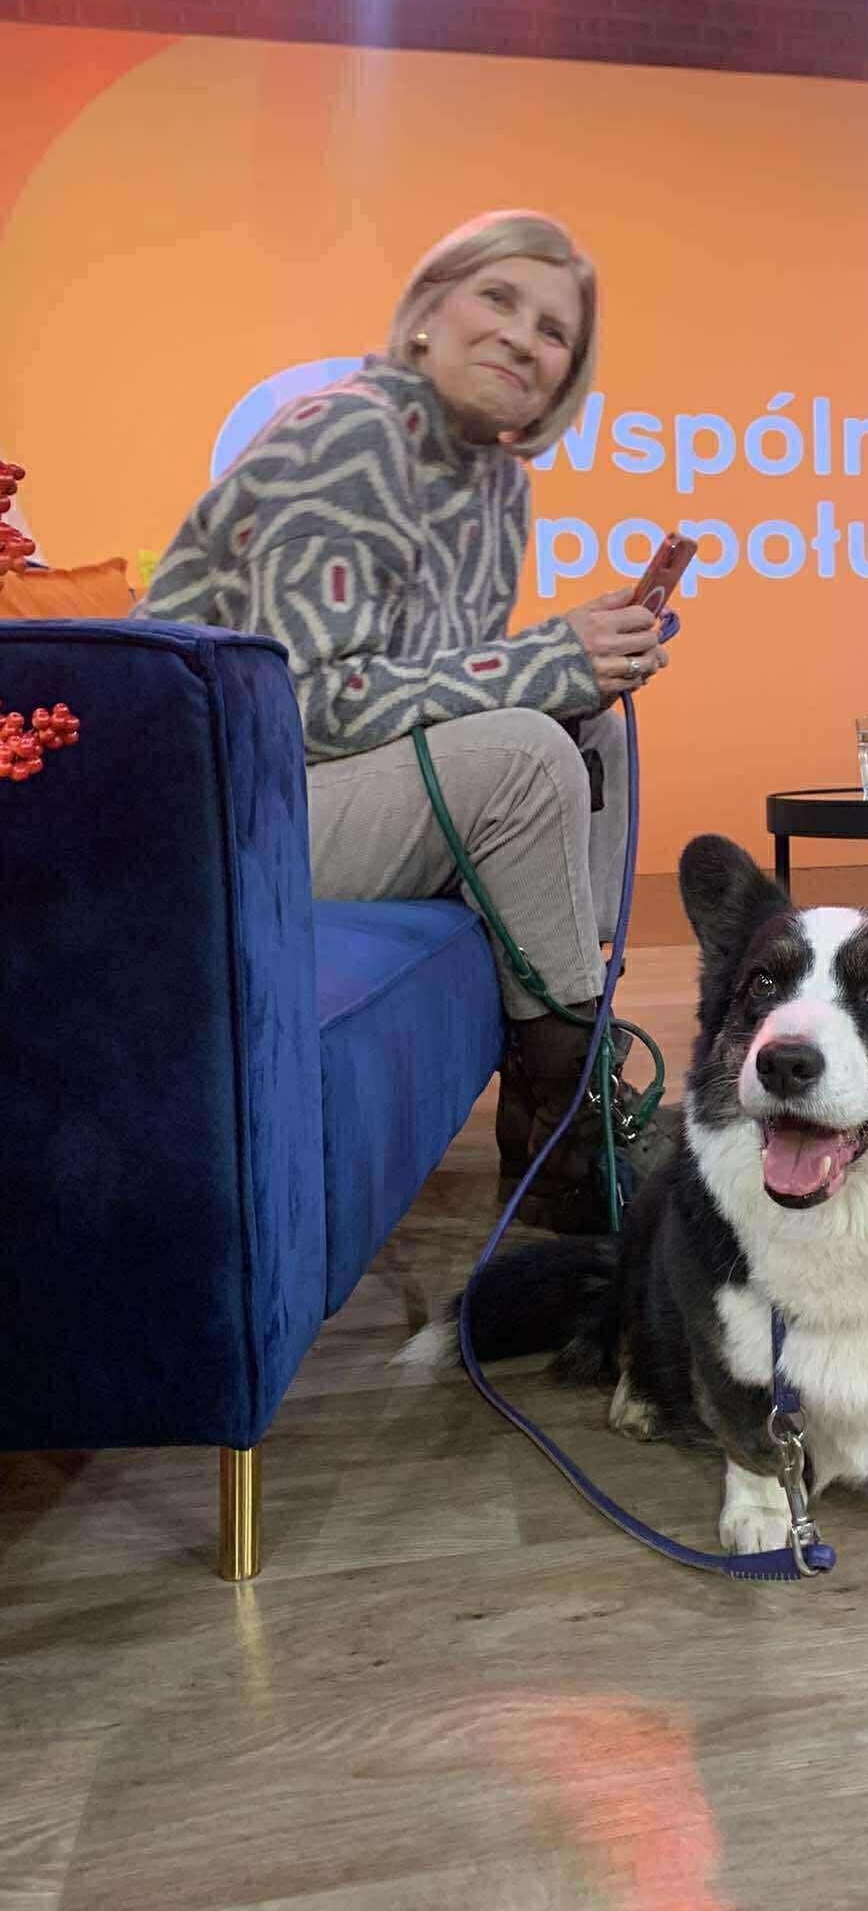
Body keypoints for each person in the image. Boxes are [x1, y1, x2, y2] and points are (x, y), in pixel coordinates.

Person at [137, 210, 670, 1230]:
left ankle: (551, 1107)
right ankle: (565, 1125)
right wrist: (545, 660)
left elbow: (433, 686)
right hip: (223, 806)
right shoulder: (348, 434)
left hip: (329, 793)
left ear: (566, 376)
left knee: (584, 730)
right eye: (498, 299)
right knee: (523, 749)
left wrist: (572, 675)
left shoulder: (500, 486)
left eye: (554, 331)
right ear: (428, 312)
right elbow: (297, 708)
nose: (523, 336)